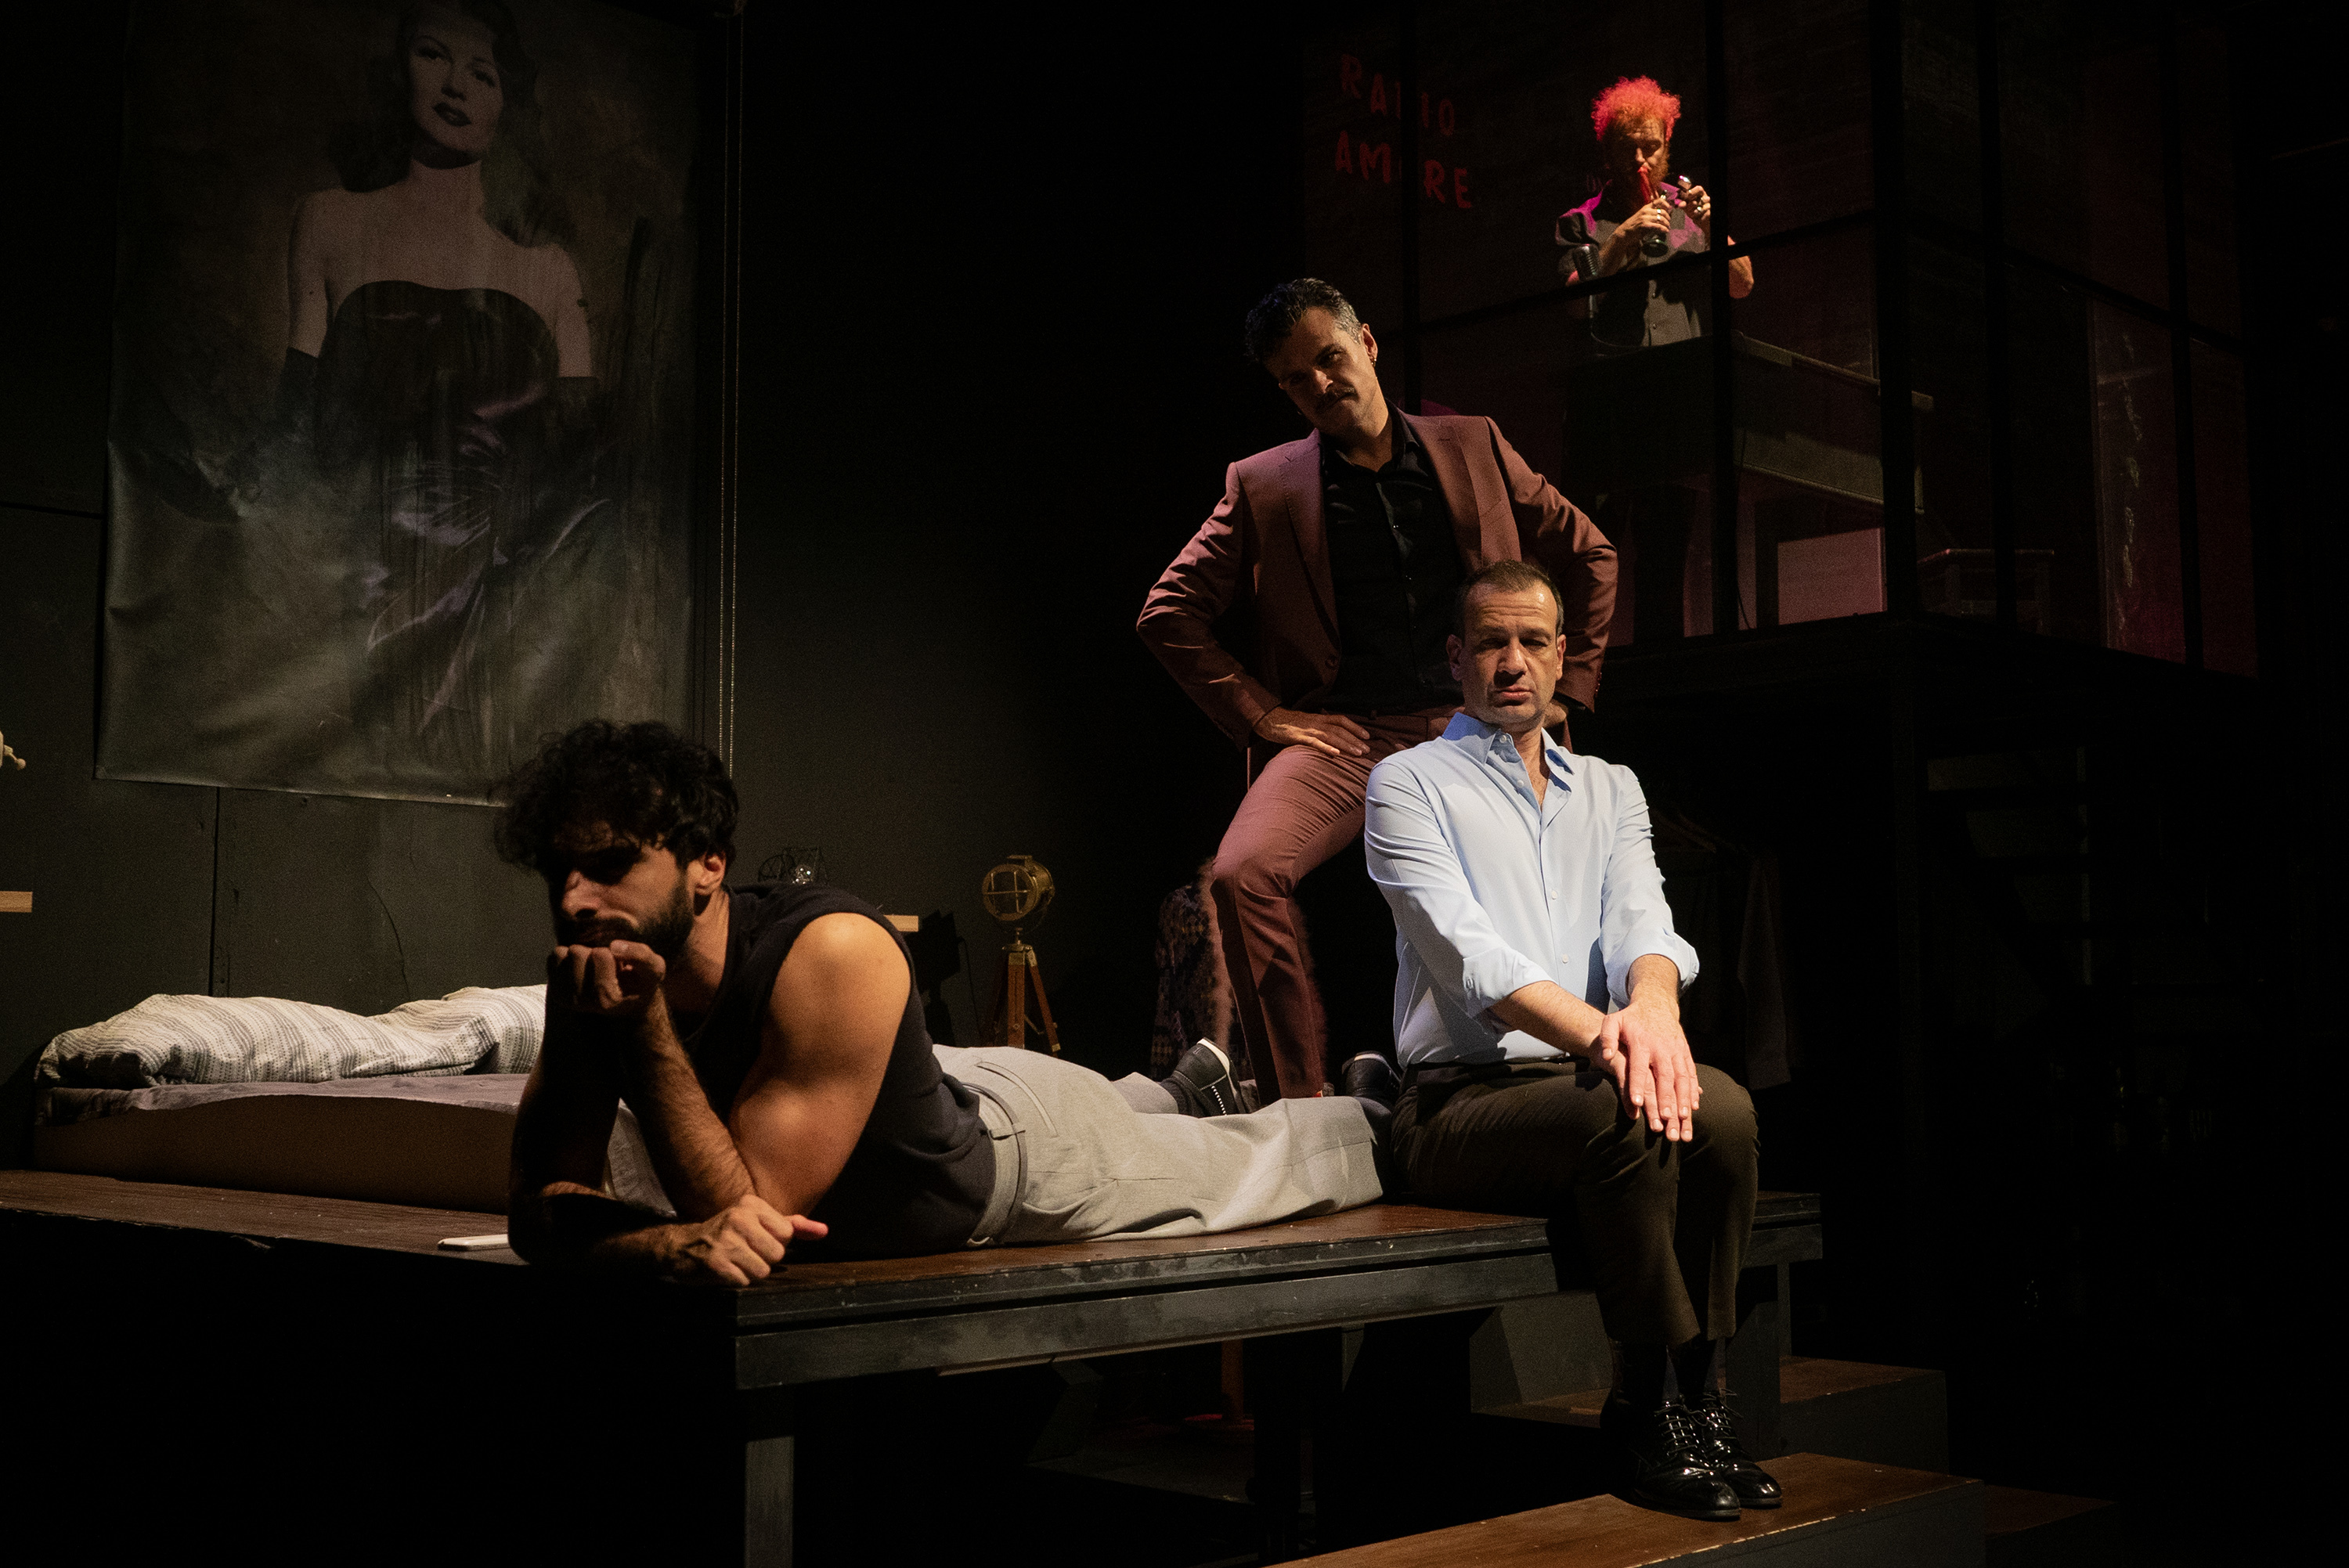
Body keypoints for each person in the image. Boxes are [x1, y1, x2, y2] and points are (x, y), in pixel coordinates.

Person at [496, 720, 1386, 1282]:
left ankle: (1379, 1108)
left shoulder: (831, 947)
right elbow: (540, 1207)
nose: (574, 899)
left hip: (1025, 1157)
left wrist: (642, 1030)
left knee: (1254, 1162)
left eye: (609, 866)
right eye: (559, 870)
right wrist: (653, 1244)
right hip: (943, 1086)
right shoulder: (599, 966)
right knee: (1132, 1103)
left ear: (708, 866)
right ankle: (1184, 1083)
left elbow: (750, 1217)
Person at [1138, 279, 1616, 1103]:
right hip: (1345, 735)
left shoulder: (1474, 443)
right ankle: (1297, 1105)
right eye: (1296, 379)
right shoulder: (1265, 483)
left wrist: (1565, 689)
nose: (1321, 384)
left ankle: (1551, 1077)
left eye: (1330, 358)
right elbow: (1167, 611)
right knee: (1241, 875)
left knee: (1540, 893)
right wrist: (1262, 714)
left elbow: (1593, 554)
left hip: (1473, 727)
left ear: (1366, 342)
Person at [1362, 559, 1773, 1521]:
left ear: (1561, 657)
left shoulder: (1610, 789)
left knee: (1726, 1111)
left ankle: (1703, 1393)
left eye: (1532, 641)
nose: (1512, 662)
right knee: (1627, 1118)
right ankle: (1644, 1406)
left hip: (1588, 1076)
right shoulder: (1407, 782)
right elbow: (1471, 957)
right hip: (1458, 1104)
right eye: (1491, 643)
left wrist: (1654, 1014)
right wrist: (1612, 1040)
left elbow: (1644, 921)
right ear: (1457, 658)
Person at [279, 0, 602, 774]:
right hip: (364, 574)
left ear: (506, 102)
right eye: (433, 55)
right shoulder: (331, 223)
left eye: (482, 73)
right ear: (401, 72)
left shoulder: (548, 272)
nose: (456, 85)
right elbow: (296, 423)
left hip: (498, 595)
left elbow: (579, 469)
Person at [1556, 75, 1754, 353]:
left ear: (1666, 145)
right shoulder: (1579, 221)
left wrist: (1712, 228)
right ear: (1608, 150)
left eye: (1651, 147)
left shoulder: (1688, 210)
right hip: (1617, 369)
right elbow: (1576, 307)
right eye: (1627, 148)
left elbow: (1743, 286)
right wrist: (1621, 237)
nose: (1639, 159)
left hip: (1687, 366)